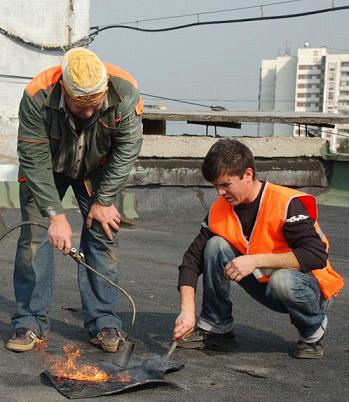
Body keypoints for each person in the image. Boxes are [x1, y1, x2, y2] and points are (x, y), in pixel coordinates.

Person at [6, 47, 143, 353]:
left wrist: (104, 199)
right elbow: (33, 157)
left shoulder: (125, 91)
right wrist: (56, 216)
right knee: (34, 238)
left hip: (97, 171)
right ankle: (29, 321)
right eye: (81, 107)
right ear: (65, 91)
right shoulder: (37, 94)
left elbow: (127, 150)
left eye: (95, 106)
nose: (90, 113)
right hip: (47, 169)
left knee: (103, 234)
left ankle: (104, 320)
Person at [173, 138, 344, 359]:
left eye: (225, 184)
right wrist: (187, 311)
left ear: (247, 174)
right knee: (215, 246)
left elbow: (316, 255)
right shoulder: (221, 208)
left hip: (307, 288)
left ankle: (312, 331)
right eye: (215, 186)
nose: (220, 193)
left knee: (283, 280)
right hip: (264, 282)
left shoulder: (285, 203)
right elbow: (192, 259)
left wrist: (254, 260)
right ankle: (217, 330)